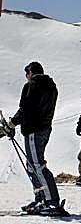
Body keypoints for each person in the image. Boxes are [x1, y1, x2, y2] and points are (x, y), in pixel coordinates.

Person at [2, 62, 66, 215]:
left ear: (31, 72)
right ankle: (41, 198)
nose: (26, 77)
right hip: (44, 128)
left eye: (27, 74)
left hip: (34, 130)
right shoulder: (51, 86)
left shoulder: (32, 85)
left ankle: (51, 201)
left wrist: (11, 123)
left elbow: (26, 109)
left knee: (36, 165)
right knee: (32, 165)